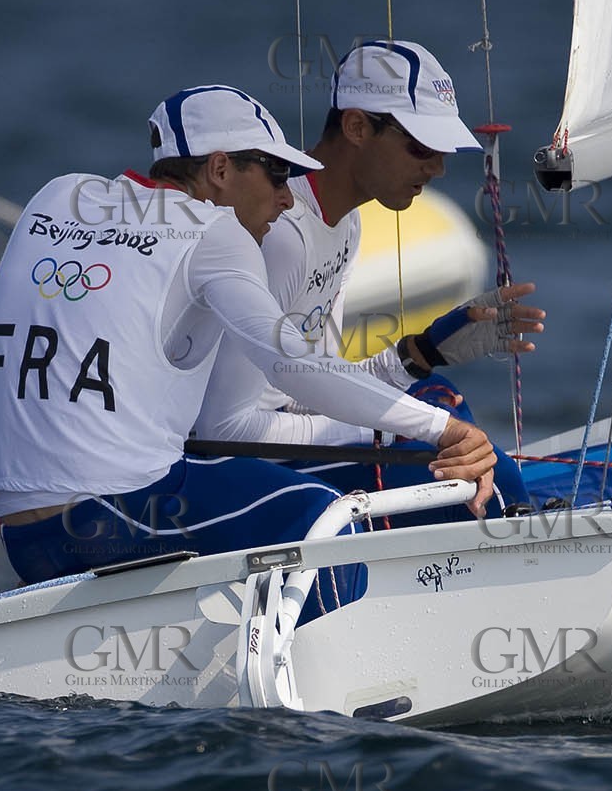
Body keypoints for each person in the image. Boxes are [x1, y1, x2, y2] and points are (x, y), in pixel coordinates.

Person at [0, 84, 498, 602]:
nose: (287, 197)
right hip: (112, 512)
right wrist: (440, 427)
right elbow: (293, 366)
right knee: (319, 517)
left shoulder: (59, 196)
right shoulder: (215, 232)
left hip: (20, 533)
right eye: (275, 174)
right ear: (220, 170)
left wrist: (412, 362)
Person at [195, 40, 544, 524]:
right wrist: (386, 432)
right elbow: (220, 430)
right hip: (224, 463)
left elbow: (310, 388)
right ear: (357, 127)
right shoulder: (283, 232)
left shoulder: (347, 221)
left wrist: (421, 353)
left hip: (275, 444)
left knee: (440, 397)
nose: (437, 168)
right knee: (485, 481)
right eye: (421, 148)